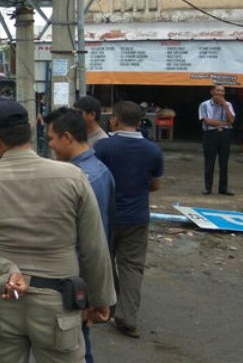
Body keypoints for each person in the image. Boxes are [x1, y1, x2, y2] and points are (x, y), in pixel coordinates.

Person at [0, 100, 116, 363]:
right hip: (57, 303)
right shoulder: (72, 177)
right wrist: (100, 297)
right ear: (27, 130)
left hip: (2, 301)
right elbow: (94, 247)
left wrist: (7, 272)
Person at [45, 107, 116, 363]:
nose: (50, 145)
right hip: (77, 282)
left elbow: (93, 243)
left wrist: (91, 296)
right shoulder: (96, 170)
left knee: (78, 350)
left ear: (67, 137)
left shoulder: (85, 179)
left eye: (51, 138)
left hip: (75, 284)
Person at [94, 101, 163, 339]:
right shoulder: (153, 150)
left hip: (106, 215)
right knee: (132, 267)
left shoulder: (103, 147)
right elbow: (155, 184)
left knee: (104, 261)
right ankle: (128, 318)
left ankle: (107, 306)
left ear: (115, 119)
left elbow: (93, 179)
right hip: (137, 216)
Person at [198, 84, 236, 195]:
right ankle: (208, 187)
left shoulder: (228, 104)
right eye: (218, 90)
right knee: (209, 161)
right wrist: (224, 123)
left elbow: (232, 120)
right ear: (212, 92)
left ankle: (223, 188)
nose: (220, 93)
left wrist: (225, 106)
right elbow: (207, 121)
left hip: (225, 135)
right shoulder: (204, 105)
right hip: (210, 134)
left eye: (222, 91)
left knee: (224, 162)